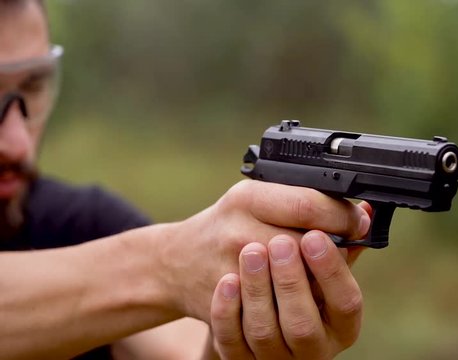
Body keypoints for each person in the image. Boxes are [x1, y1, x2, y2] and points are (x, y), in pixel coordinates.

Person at [0, 0, 371, 359]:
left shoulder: (82, 227)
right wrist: (169, 266)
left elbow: (188, 350)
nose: (17, 143)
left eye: (33, 86)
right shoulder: (141, 260)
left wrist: (243, 337)